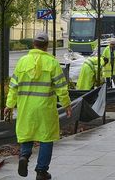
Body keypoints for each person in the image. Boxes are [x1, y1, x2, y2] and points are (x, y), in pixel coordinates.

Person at [5, 31, 72, 180]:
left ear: (33, 44)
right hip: (45, 108)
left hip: (25, 107)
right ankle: (41, 171)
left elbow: (13, 86)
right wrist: (67, 105)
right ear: (46, 46)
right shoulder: (53, 62)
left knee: (27, 133)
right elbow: (61, 87)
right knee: (46, 138)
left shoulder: (22, 61)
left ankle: (24, 156)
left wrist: (9, 105)